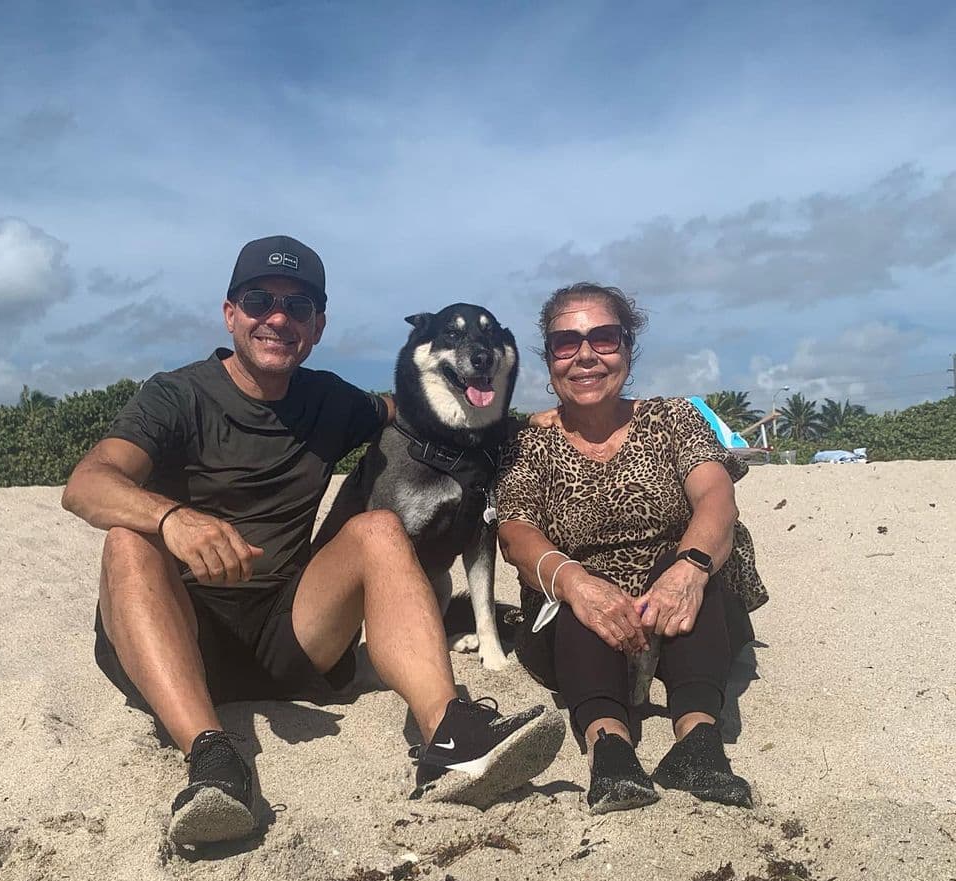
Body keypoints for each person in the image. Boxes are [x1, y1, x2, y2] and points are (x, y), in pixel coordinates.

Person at [62, 235, 563, 847]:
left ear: (318, 326)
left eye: (299, 308)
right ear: (230, 313)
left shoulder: (326, 399)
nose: (278, 318)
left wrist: (525, 420)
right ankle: (212, 759)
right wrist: (171, 519)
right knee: (127, 541)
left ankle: (449, 734)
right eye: (260, 300)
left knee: (378, 527)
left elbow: (411, 408)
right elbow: (86, 484)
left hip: (286, 633)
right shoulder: (177, 395)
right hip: (173, 637)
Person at [495, 282, 767, 814]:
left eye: (604, 337)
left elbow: (716, 495)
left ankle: (697, 741)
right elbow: (516, 533)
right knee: (579, 589)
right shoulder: (527, 444)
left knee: (690, 565)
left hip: (687, 607)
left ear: (628, 347)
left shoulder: (672, 418)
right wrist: (576, 582)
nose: (586, 356)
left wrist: (687, 569)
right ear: (549, 359)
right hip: (583, 623)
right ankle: (610, 747)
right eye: (566, 343)